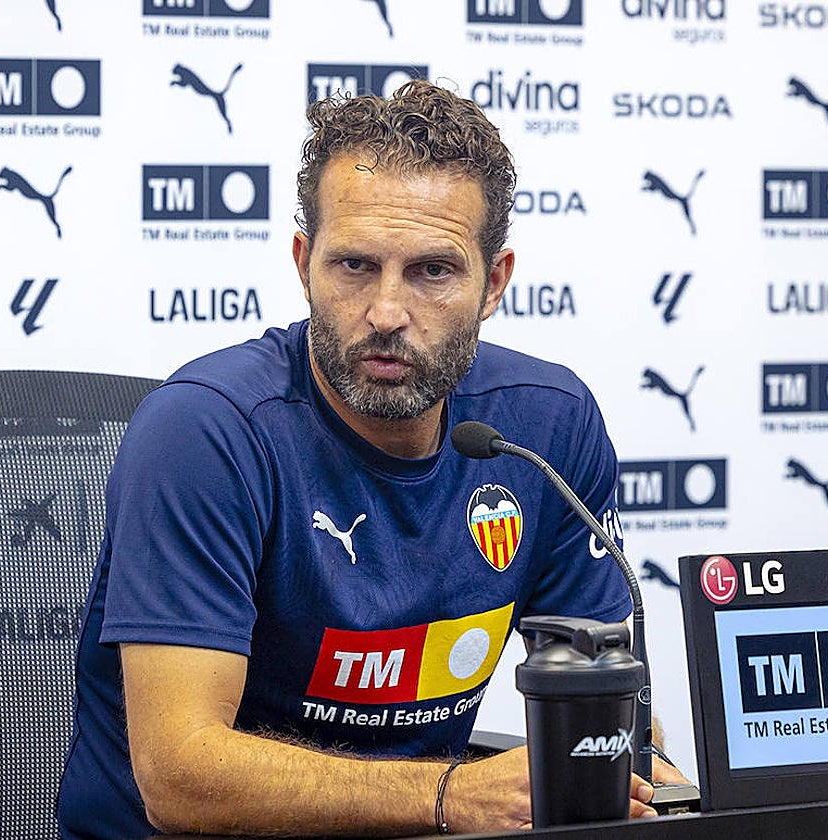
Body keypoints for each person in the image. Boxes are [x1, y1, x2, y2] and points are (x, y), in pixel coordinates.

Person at [58, 79, 675, 839]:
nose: (387, 312)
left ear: (495, 283)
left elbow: (602, 720)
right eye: (354, 267)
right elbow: (182, 776)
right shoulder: (207, 431)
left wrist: (653, 785)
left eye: (433, 271)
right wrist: (451, 797)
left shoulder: (547, 429)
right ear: (303, 262)